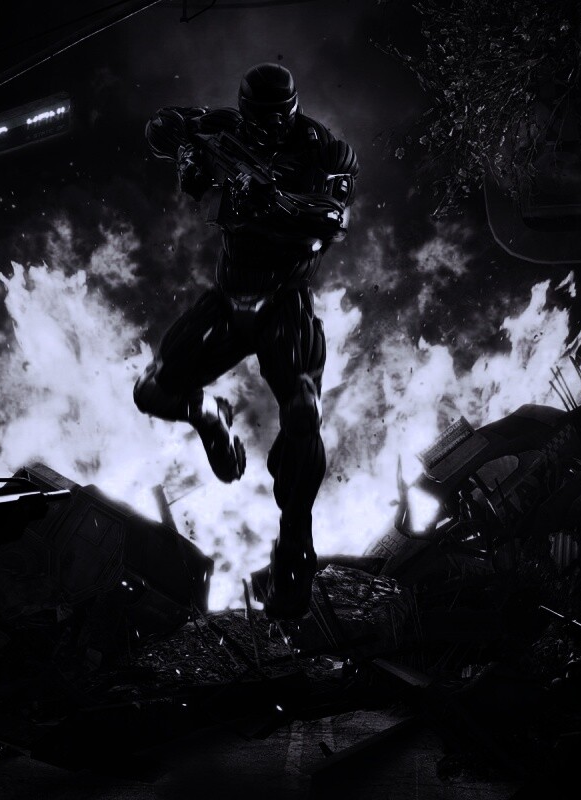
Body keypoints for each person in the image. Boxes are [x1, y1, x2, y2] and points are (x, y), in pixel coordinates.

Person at [134, 63, 358, 618]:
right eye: (256, 119)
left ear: (291, 110)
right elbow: (162, 128)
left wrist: (277, 202)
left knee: (303, 414)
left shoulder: (322, 149)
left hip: (285, 303)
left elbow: (334, 219)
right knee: (153, 392)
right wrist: (186, 150)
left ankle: (295, 549)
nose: (265, 130)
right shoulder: (223, 127)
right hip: (230, 300)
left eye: (274, 119)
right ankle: (210, 418)